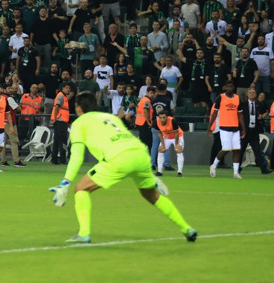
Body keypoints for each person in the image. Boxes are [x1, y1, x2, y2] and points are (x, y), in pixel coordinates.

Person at [48, 91, 197, 244]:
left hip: (117, 158)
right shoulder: (111, 117)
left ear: (78, 108)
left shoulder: (79, 123)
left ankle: (84, 233)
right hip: (140, 154)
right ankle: (187, 229)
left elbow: (76, 156)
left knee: (81, 189)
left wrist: (65, 183)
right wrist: (148, 173)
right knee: (152, 196)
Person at [208, 80, 244, 179]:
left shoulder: (237, 98)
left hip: (235, 127)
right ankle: (213, 165)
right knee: (226, 149)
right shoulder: (221, 97)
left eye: (231, 86)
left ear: (233, 87)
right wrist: (210, 127)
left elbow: (240, 115)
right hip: (224, 127)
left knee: (237, 149)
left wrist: (243, 128)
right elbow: (214, 113)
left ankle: (236, 172)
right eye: (227, 86)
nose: (229, 88)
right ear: (224, 88)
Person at [238, 88, 271, 175]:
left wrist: (261, 116)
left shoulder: (258, 105)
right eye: (250, 93)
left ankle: (263, 169)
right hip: (245, 131)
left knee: (257, 151)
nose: (252, 94)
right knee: (241, 150)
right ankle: (237, 168)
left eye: (254, 93)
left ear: (256, 94)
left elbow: (265, 112)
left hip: (254, 131)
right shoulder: (243, 105)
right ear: (247, 95)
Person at [155, 110, 185, 177]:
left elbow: (176, 132)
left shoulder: (172, 121)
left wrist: (176, 144)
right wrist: (163, 144)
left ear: (167, 117)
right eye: (160, 117)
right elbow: (159, 132)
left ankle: (179, 172)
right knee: (160, 150)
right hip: (166, 137)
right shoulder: (156, 121)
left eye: (164, 117)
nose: (162, 119)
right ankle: (159, 171)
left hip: (177, 136)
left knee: (178, 150)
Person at [50, 83, 72, 165]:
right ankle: (63, 159)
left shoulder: (62, 96)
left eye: (69, 88)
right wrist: (55, 119)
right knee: (63, 141)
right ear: (62, 88)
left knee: (57, 140)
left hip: (61, 121)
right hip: (60, 121)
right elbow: (57, 107)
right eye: (67, 88)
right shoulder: (61, 96)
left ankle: (54, 159)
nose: (68, 89)